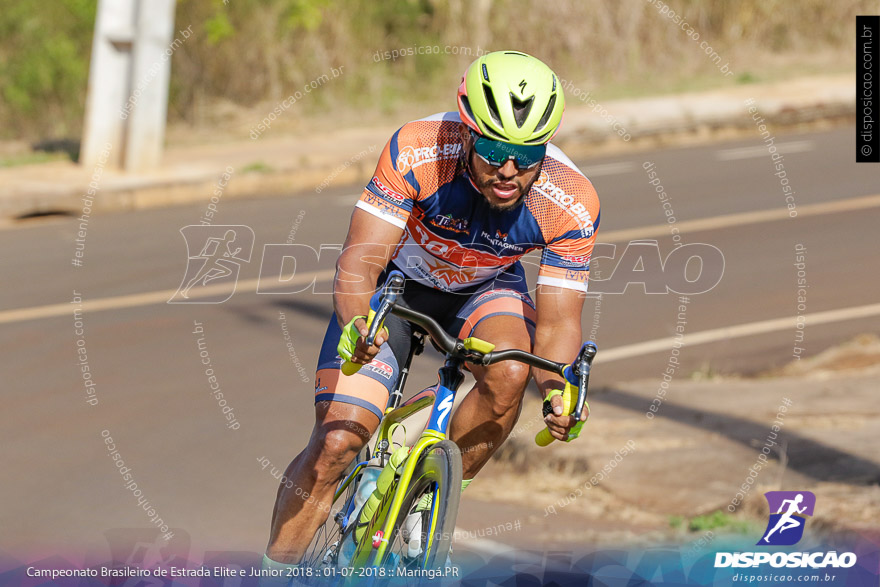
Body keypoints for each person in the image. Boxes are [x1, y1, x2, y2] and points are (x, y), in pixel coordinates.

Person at [261, 50, 601, 575]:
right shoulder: (419, 148)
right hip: (394, 286)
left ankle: (425, 500)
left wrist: (559, 392)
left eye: (527, 154)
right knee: (336, 443)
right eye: (492, 149)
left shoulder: (570, 201)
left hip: (486, 288)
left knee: (512, 373)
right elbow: (359, 263)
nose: (509, 169)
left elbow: (557, 323)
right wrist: (357, 322)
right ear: (467, 131)